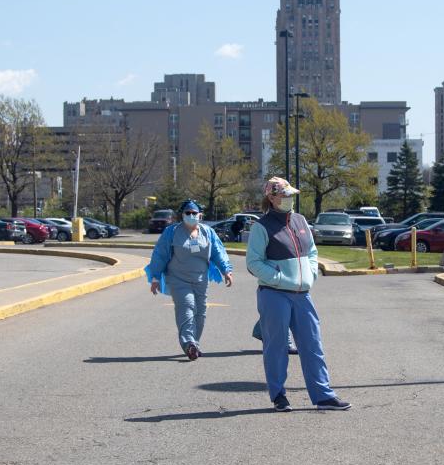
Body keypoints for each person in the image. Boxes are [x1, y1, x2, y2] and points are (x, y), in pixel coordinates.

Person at [246, 176, 349, 412]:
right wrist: (280, 278)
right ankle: (278, 395)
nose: (290, 199)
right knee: (276, 346)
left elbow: (312, 252)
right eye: (285, 195)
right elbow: (253, 263)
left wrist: (312, 273)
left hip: (302, 294)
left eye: (291, 195)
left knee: (313, 344)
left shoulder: (301, 221)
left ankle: (323, 395)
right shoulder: (262, 227)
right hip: (274, 294)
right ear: (271, 198)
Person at [145, 199, 234, 359]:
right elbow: (160, 255)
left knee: (201, 312)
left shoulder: (208, 232)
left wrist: (226, 270)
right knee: (187, 306)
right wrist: (155, 278)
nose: (191, 215)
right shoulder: (171, 232)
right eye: (188, 213)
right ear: (182, 215)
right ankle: (188, 343)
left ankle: (194, 344)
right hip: (178, 279)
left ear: (200, 215)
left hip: (201, 279)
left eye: (194, 213)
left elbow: (218, 252)